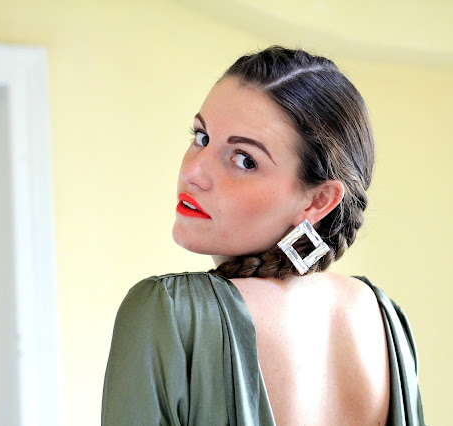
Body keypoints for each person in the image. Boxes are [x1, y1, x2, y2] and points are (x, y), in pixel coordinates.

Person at [102, 46, 425, 425]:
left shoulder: (169, 312)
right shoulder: (383, 319)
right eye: (202, 137)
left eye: (244, 159)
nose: (193, 172)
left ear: (319, 200)